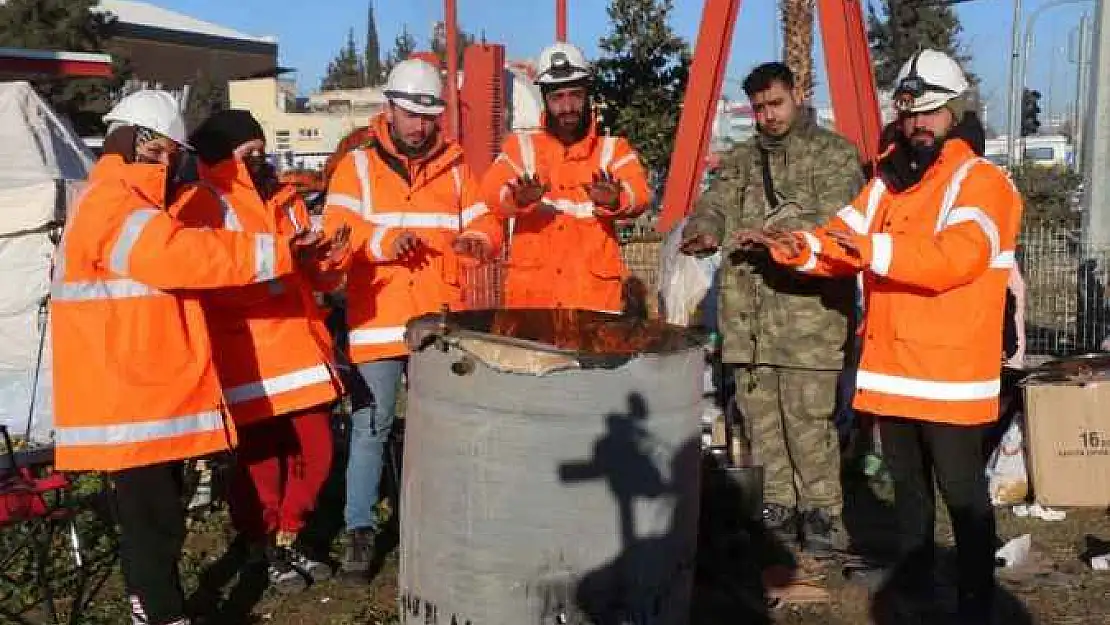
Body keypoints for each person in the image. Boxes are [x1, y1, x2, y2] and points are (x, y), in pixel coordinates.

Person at [742, 50, 1022, 622]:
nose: (918, 124)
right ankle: (914, 575)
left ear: (954, 112)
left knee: (963, 494)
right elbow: (841, 235)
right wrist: (800, 247)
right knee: (907, 488)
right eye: (910, 114)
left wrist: (868, 250)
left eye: (931, 113)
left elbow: (954, 259)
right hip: (894, 370)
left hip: (950, 376)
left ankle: (976, 596)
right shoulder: (889, 183)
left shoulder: (982, 182)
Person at [49, 91, 330, 625]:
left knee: (160, 520)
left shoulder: (124, 198)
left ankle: (162, 609)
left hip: (144, 395)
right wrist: (275, 252)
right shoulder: (113, 201)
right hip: (129, 400)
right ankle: (159, 614)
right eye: (161, 152)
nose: (169, 163)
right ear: (136, 141)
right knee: (152, 524)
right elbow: (179, 255)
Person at [322, 59, 503, 578]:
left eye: (428, 118)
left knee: (438, 428)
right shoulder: (355, 167)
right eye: (411, 116)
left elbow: (486, 221)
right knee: (370, 428)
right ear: (390, 109)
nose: (420, 128)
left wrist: (481, 240)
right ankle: (360, 531)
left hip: (438, 320)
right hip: (379, 320)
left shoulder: (456, 166)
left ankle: (437, 524)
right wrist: (382, 241)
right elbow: (337, 231)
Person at [680, 62, 863, 556]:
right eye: (759, 108)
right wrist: (704, 229)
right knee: (763, 422)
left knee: (809, 422)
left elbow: (836, 223)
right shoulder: (740, 158)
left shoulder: (834, 156)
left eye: (775, 104)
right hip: (751, 319)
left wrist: (777, 238)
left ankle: (822, 514)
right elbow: (715, 203)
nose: (767, 116)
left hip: (810, 319)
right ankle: (780, 508)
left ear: (797, 95)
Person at [175, 110, 348, 592]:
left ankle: (290, 533)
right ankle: (264, 544)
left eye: (260, 150)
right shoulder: (202, 203)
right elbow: (203, 277)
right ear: (223, 155)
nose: (259, 160)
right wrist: (276, 265)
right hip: (245, 354)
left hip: (299, 349)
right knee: (260, 464)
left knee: (317, 452)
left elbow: (317, 278)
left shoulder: (285, 197)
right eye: (247, 153)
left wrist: (325, 262)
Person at [480, 42, 651, 312]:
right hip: (534, 310)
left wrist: (617, 199)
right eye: (558, 97)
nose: (568, 106)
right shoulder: (521, 148)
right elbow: (491, 193)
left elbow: (640, 195)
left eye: (575, 95)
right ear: (545, 100)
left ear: (587, 96)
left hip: (594, 307)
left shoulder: (612, 149)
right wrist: (517, 199)